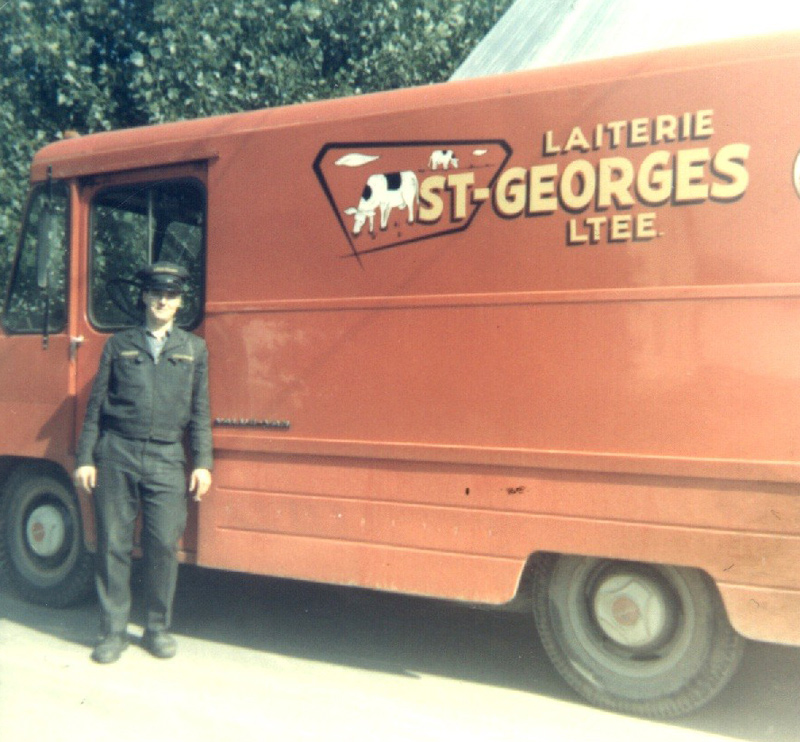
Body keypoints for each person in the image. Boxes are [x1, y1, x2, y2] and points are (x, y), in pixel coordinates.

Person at [73, 262, 213, 664]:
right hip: (117, 453)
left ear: (180, 302)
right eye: (155, 293)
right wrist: (86, 457)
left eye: (170, 295)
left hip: (168, 457)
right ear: (144, 297)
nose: (162, 301)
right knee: (113, 545)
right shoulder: (119, 346)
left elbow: (200, 412)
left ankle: (156, 629)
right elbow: (95, 408)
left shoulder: (193, 349)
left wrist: (202, 463)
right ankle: (113, 632)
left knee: (163, 545)